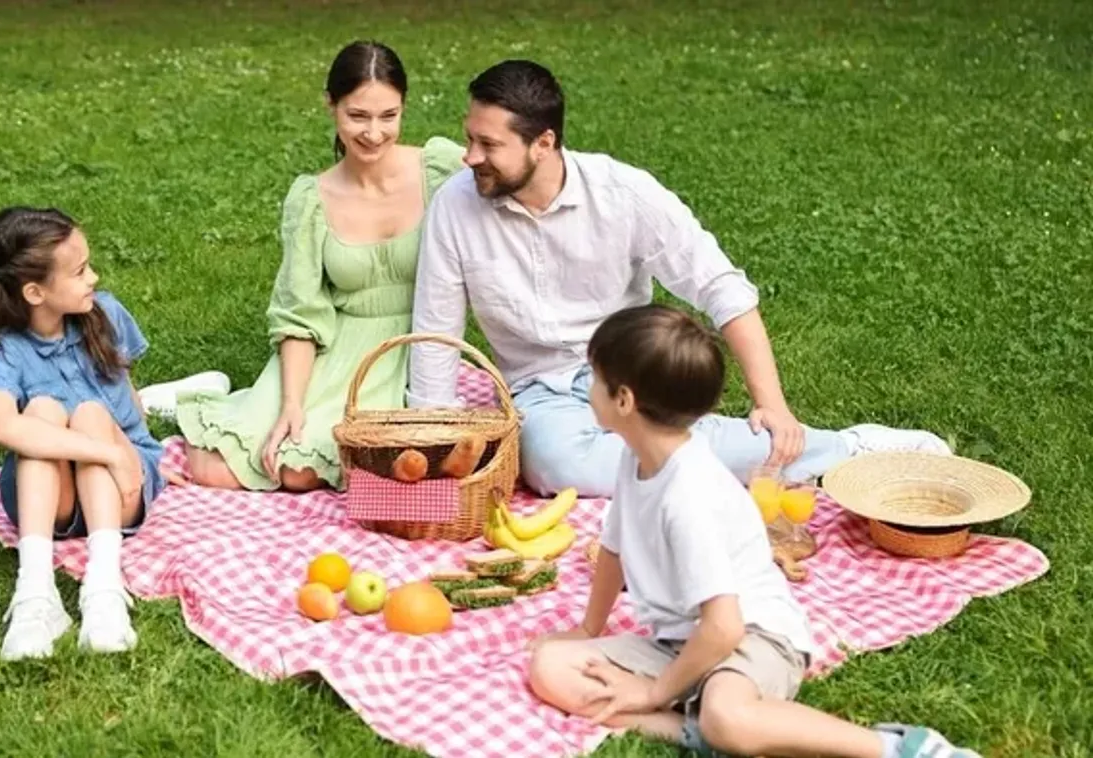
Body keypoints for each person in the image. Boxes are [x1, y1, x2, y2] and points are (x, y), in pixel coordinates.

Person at [407, 59, 950, 498]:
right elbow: (436, 329)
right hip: (538, 389)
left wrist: (774, 405)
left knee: (628, 447)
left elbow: (721, 287)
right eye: (470, 138)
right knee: (553, 468)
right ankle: (725, 452)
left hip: (631, 370)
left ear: (544, 143)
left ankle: (847, 449)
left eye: (489, 145)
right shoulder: (456, 205)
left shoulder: (625, 193)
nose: (471, 156)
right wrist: (431, 443)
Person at [526, 304, 981, 758]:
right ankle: (695, 733)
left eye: (595, 379)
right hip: (679, 642)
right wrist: (588, 629)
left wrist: (650, 692)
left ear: (623, 400)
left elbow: (724, 628)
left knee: (728, 715)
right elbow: (614, 549)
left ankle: (897, 748)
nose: (587, 393)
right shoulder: (636, 457)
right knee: (551, 667)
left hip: (754, 637)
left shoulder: (687, 496)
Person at [171, 40, 467, 491]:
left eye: (389, 116)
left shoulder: (441, 170)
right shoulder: (312, 199)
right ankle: (207, 395)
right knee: (233, 468)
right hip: (340, 344)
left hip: (419, 343)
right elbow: (300, 311)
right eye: (357, 116)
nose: (373, 133)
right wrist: (292, 403)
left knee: (358, 469)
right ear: (331, 105)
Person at [0, 206, 175, 661]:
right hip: (51, 498)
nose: (92, 277)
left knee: (91, 412)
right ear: (34, 291)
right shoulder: (5, 349)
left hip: (121, 483)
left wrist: (121, 452)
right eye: (79, 271)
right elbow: (1, 426)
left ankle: (103, 590)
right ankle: (36, 596)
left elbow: (128, 402)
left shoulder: (105, 314)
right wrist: (103, 452)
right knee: (42, 410)